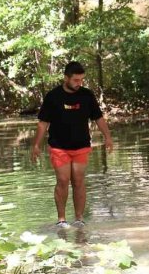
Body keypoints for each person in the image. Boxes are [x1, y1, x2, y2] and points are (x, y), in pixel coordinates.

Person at [31, 61, 113, 228]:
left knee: (78, 181)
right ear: (66, 78)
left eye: (81, 80)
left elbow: (98, 118)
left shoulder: (87, 95)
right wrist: (36, 145)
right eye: (76, 80)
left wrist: (108, 137)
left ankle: (79, 219)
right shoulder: (53, 96)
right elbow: (43, 123)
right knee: (62, 180)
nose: (79, 83)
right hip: (59, 146)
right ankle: (61, 219)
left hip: (81, 145)